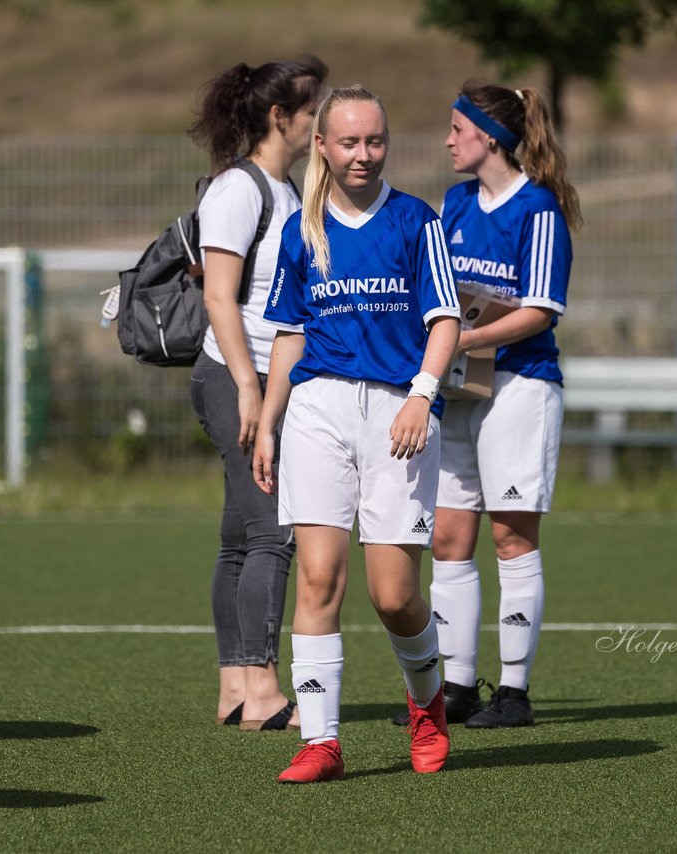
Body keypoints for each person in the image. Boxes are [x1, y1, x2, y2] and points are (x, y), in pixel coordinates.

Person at [253, 84, 462, 783]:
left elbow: (445, 322)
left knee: (396, 595)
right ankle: (321, 742)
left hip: (399, 412)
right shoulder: (299, 231)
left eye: (375, 141)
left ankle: (427, 705)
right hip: (318, 409)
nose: (364, 155)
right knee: (317, 578)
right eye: (349, 142)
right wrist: (268, 420)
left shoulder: (415, 220)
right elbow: (289, 335)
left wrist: (421, 398)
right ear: (322, 147)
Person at [425, 81, 579, 728]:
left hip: (519, 387)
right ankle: (456, 686)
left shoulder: (538, 209)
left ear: (489, 135)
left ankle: (513, 692)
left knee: (511, 536)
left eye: (458, 128)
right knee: (447, 536)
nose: (448, 140)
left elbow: (542, 310)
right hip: (462, 388)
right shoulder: (456, 203)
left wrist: (469, 336)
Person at [187, 56, 328, 731]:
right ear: (282, 118)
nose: (320, 120)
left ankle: (235, 689)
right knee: (273, 532)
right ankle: (264, 690)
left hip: (264, 378)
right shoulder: (240, 191)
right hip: (236, 377)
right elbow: (219, 294)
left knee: (240, 537)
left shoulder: (285, 188)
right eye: (313, 110)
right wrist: (248, 386)